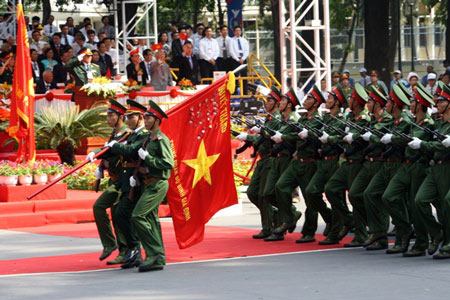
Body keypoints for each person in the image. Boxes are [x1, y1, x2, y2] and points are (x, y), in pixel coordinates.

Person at [383, 85, 435, 256]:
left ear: (419, 105)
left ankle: (420, 243)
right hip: (405, 166)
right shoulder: (413, 122)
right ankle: (405, 229)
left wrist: (394, 138)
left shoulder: (428, 123)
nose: (410, 104)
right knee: (388, 196)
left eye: (413, 101)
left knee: (415, 205)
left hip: (418, 166)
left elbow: (417, 139)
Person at [363, 84, 411, 251]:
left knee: (392, 198)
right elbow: (381, 136)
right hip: (386, 165)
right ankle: (378, 232)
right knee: (369, 193)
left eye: (388, 102)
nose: (386, 105)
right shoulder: (394, 120)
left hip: (398, 165)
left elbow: (396, 139)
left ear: (395, 104)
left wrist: (385, 138)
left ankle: (404, 233)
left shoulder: (403, 120)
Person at [127, 100, 174, 272]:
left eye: (148, 118)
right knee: (151, 220)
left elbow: (168, 163)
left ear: (157, 120)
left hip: (158, 184)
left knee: (137, 216)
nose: (145, 121)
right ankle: (157, 257)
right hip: (148, 183)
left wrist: (149, 158)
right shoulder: (149, 138)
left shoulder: (161, 140)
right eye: (145, 118)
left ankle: (155, 252)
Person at [324, 83, 371, 247]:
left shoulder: (365, 118)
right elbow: (342, 136)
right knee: (330, 188)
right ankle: (348, 219)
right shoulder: (350, 117)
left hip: (358, 163)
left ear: (357, 102)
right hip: (346, 163)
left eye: (351, 98)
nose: (349, 100)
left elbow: (361, 138)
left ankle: (361, 235)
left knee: (355, 196)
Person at [105, 100, 149, 269]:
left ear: (140, 118)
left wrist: (115, 146)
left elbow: (131, 151)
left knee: (126, 213)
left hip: (137, 181)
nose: (129, 120)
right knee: (122, 214)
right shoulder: (130, 134)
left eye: (132, 117)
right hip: (126, 181)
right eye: (128, 117)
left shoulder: (143, 134)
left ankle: (137, 249)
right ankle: (133, 250)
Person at [409, 83, 450, 259]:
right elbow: (436, 144)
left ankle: (448, 242)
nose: (437, 104)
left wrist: (425, 144)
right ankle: (437, 232)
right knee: (420, 200)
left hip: (447, 166)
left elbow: (442, 147)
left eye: (441, 101)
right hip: (435, 167)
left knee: (446, 205)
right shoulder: (437, 123)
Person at [236, 87, 283, 238]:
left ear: (276, 103)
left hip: (270, 159)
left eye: (269, 101)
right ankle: (274, 216)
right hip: (263, 160)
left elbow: (266, 138)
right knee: (252, 193)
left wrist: (249, 137)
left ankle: (271, 225)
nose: (266, 103)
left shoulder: (275, 119)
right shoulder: (269, 118)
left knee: (264, 194)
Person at [87, 99, 129, 265]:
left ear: (120, 117)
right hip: (114, 179)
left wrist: (106, 162)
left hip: (122, 180)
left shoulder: (125, 134)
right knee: (115, 213)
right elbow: (108, 150)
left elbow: (118, 155)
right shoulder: (115, 133)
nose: (108, 119)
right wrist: (98, 156)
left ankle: (118, 247)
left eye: (111, 115)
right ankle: (118, 247)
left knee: (104, 209)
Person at [307, 84, 347, 245]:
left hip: (334, 162)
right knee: (311, 192)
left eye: (330, 98)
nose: (327, 101)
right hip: (323, 162)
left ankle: (335, 233)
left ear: (337, 102)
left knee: (336, 196)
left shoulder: (341, 120)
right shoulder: (326, 118)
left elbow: (336, 137)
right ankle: (330, 218)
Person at [262, 88, 299, 242]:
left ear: (289, 104)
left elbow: (288, 136)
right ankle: (292, 214)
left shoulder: (292, 119)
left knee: (280, 190)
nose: (280, 103)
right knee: (268, 193)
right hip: (277, 158)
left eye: (283, 101)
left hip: (286, 159)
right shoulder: (283, 119)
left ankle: (285, 223)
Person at [228, 26, 249, 94]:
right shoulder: (231, 40)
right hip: (235, 60)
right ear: (234, 32)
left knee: (244, 76)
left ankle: (245, 92)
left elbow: (247, 51)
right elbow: (231, 51)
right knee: (235, 76)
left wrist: (243, 58)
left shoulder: (244, 40)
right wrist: (237, 59)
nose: (238, 32)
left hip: (243, 59)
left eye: (239, 30)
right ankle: (234, 91)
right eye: (236, 30)